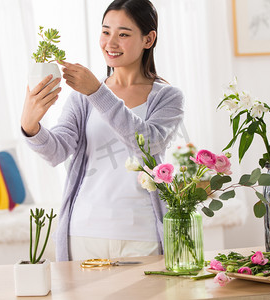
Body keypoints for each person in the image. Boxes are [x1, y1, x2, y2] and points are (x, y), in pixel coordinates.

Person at [21, 0, 184, 262]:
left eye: (123, 34)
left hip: (141, 234)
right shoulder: (82, 97)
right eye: (106, 31)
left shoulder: (167, 97)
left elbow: (148, 143)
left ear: (148, 39)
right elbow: (57, 152)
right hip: (85, 232)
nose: (111, 43)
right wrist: (31, 126)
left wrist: (98, 92)